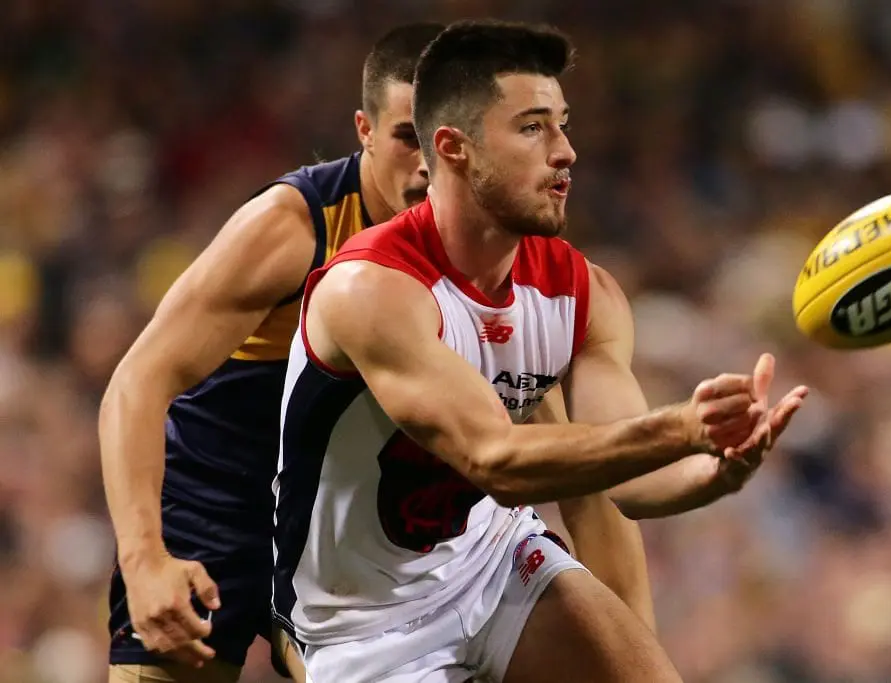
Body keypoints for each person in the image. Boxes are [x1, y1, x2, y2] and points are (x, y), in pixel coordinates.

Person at [274, 19, 808, 683]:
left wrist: (716, 468)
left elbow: (625, 478)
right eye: (533, 128)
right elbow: (495, 459)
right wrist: (680, 428)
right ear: (455, 148)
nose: (566, 152)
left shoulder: (583, 293)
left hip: (489, 561)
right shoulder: (371, 289)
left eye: (563, 125)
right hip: (360, 621)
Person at [100, 23, 446, 683]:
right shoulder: (294, 225)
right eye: (408, 136)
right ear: (365, 130)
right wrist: (144, 559)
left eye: (444, 140)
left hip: (344, 528)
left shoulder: (482, 249)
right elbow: (138, 381)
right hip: (217, 513)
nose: (428, 164)